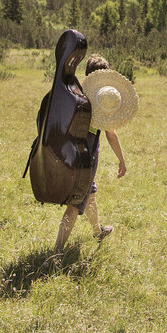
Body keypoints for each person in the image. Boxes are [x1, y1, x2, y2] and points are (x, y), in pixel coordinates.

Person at [55, 54, 130, 252]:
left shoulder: (77, 96)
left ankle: (98, 231)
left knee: (90, 194)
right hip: (86, 157)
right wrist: (121, 160)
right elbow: (111, 134)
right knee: (74, 203)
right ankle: (57, 251)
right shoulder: (100, 102)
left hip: (70, 152)